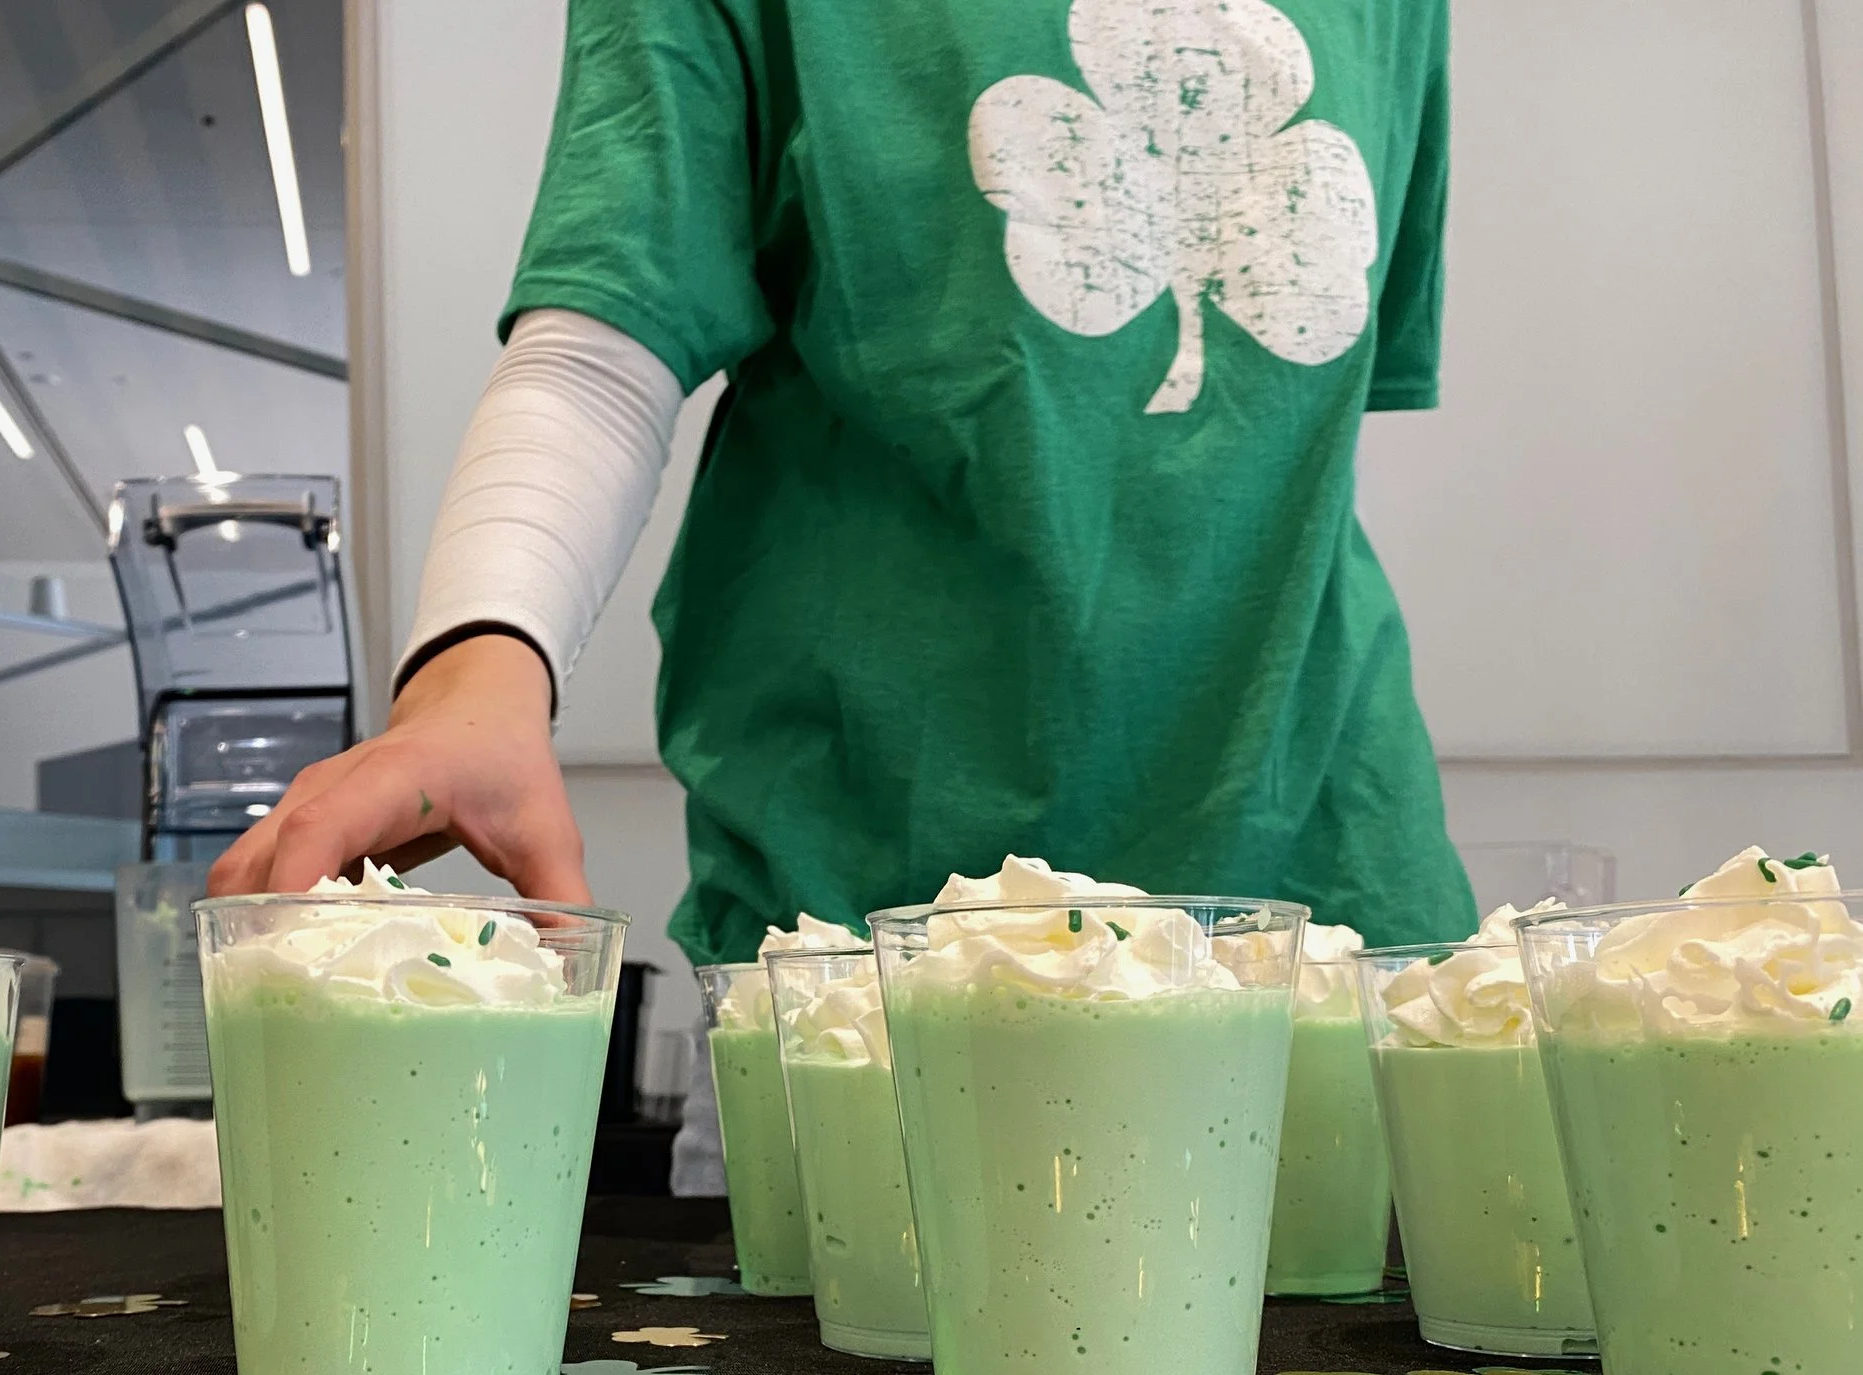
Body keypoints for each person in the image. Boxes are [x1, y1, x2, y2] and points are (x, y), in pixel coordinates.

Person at [211, 0, 1477, 958]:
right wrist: (469, 685)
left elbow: (1292, 432)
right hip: (869, 955)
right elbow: (606, 344)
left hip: (1330, 916)